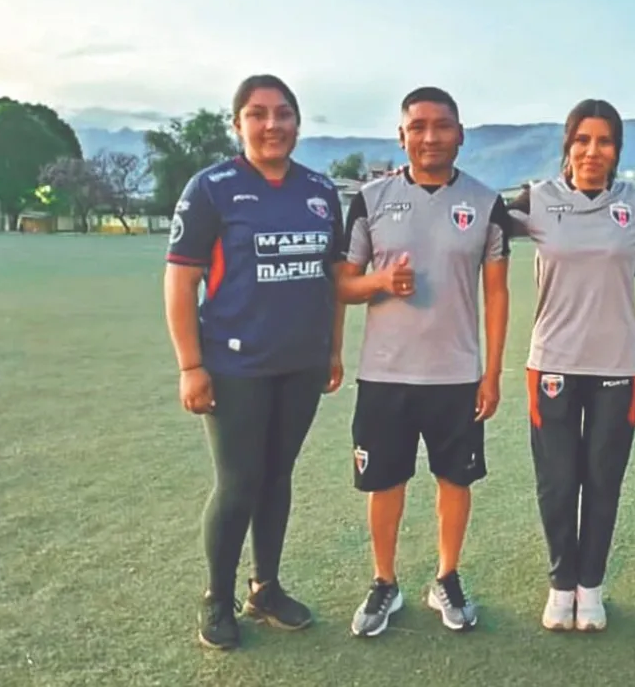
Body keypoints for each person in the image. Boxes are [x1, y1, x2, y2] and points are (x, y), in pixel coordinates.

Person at [163, 74, 348, 651]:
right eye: (258, 114)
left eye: (283, 113)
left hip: (301, 364)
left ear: (297, 122)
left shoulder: (320, 190)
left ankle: (265, 589)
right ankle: (217, 599)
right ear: (238, 123)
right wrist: (191, 366)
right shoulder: (211, 187)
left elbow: (332, 279)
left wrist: (332, 349)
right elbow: (180, 282)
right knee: (239, 482)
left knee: (277, 476)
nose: (272, 125)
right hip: (234, 367)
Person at [505, 99, 635, 632]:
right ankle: (561, 584)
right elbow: (485, 227)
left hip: (616, 365)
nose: (592, 151)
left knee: (602, 480)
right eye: (582, 140)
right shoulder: (539, 199)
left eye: (604, 141)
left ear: (616, 150)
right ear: (568, 146)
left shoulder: (632, 201)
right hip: (553, 363)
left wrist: (634, 262)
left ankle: (591, 588)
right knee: (559, 481)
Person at [338, 86, 511, 637]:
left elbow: (497, 293)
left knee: (454, 481)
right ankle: (384, 582)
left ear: (460, 135)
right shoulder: (371, 199)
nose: (430, 137)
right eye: (418, 126)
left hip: (456, 376)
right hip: (384, 373)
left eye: (441, 126)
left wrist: (491, 373)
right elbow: (342, 284)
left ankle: (447, 577)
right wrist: (380, 282)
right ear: (402, 136)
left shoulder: (486, 203)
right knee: (384, 483)